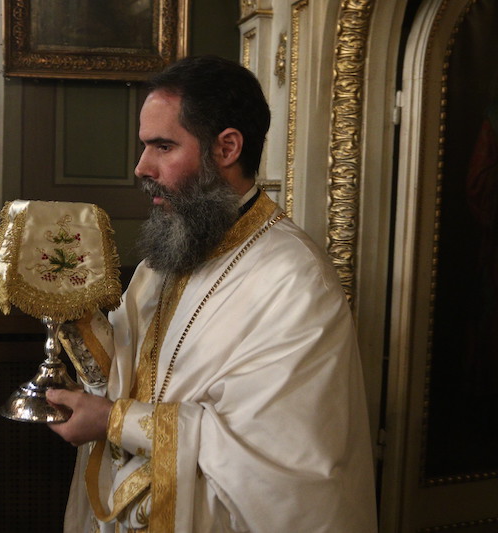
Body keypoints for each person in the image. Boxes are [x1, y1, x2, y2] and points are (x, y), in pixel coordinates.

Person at [45, 55, 378, 532]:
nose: (141, 167)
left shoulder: (296, 280)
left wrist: (115, 422)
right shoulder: (169, 254)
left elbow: (281, 463)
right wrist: (70, 311)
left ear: (226, 148)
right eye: (144, 146)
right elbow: (131, 373)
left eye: (163, 146)